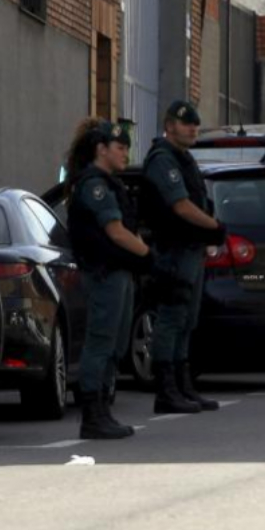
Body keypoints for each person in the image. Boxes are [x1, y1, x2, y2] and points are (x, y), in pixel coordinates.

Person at [65, 119, 153, 439]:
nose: (126, 153)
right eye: (120, 147)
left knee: (114, 344)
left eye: (128, 147)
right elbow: (116, 231)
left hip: (117, 273)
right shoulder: (94, 185)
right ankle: (92, 414)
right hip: (105, 274)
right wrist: (147, 254)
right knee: (100, 342)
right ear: (101, 150)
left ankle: (103, 409)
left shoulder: (106, 181)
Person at [140, 100, 226, 414]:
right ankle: (166, 390)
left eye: (195, 123)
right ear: (169, 125)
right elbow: (181, 206)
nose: (192, 128)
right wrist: (214, 226)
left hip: (190, 248)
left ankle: (182, 385)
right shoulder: (163, 160)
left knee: (187, 320)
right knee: (172, 318)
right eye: (186, 123)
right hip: (173, 250)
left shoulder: (183, 157)